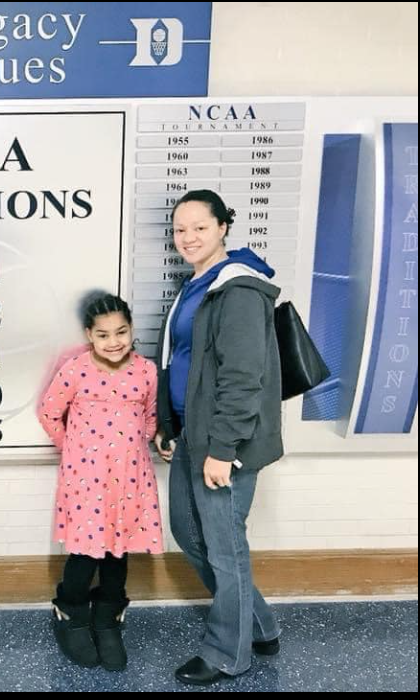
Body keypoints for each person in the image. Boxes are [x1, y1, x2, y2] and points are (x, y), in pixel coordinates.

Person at [153, 190, 283, 686]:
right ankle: (260, 625)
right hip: (193, 433)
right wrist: (170, 423)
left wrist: (222, 450)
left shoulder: (240, 289)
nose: (187, 238)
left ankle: (229, 654)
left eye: (199, 228)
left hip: (223, 444)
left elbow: (243, 376)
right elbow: (178, 360)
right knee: (190, 534)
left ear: (224, 227)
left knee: (226, 547)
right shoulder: (197, 286)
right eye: (180, 229)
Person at [38, 293, 162, 672]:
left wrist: (147, 444)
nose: (114, 342)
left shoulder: (146, 370)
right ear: (89, 335)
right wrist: (73, 450)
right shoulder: (75, 369)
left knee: (117, 554)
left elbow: (150, 418)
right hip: (85, 481)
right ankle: (71, 614)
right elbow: (49, 413)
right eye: (104, 334)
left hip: (129, 479)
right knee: (85, 554)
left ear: (131, 330)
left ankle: (108, 618)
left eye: (121, 332)